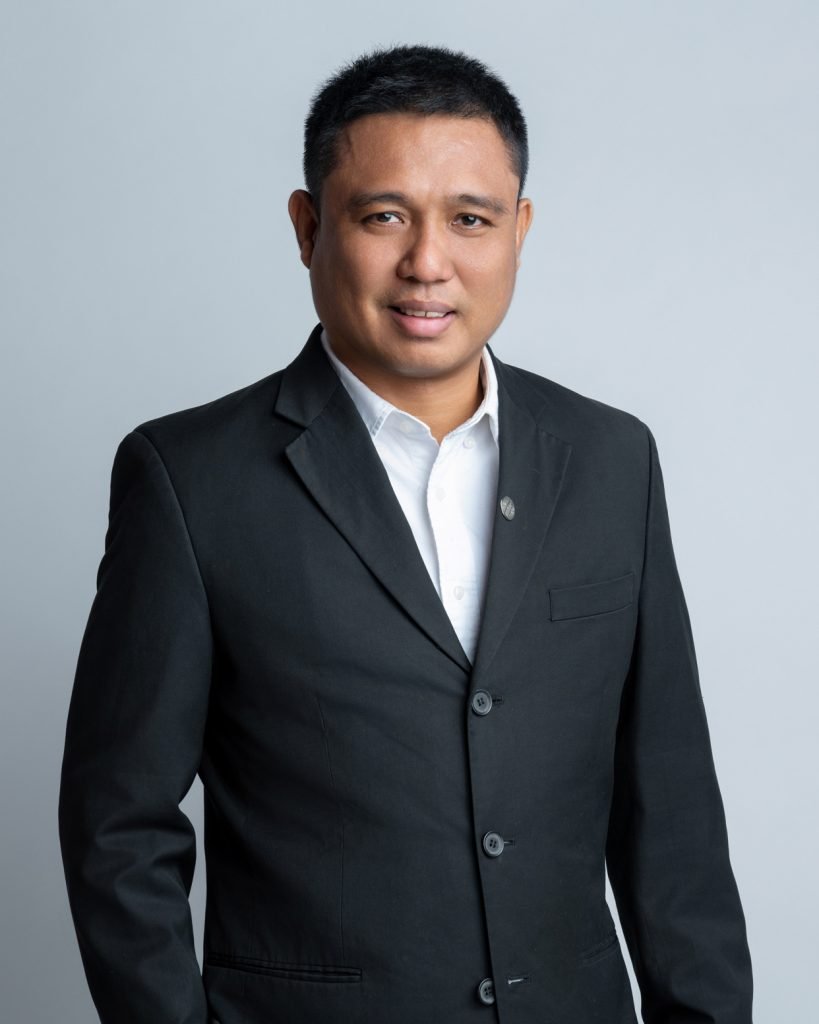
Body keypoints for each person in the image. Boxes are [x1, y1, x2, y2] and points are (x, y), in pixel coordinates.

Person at [58, 44, 753, 1024]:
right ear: (308, 228)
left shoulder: (611, 461)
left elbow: (669, 810)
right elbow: (115, 823)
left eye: (470, 220)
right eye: (383, 215)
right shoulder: (189, 480)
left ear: (519, 229)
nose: (428, 262)